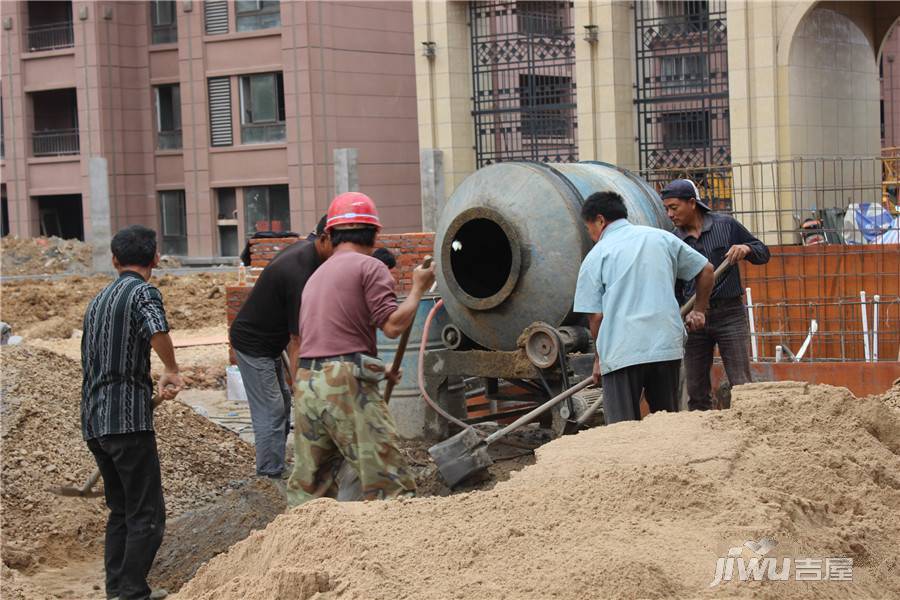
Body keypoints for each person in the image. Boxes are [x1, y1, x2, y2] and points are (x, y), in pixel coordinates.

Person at [286, 192, 435, 507]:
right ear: (375, 234)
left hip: (307, 384)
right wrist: (419, 288)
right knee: (389, 485)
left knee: (310, 491)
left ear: (332, 234)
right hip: (345, 384)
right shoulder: (370, 267)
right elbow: (392, 326)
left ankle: (301, 550)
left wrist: (379, 371)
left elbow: (332, 338)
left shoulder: (316, 276)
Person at [81, 225, 183, 600]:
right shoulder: (143, 293)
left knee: (121, 511)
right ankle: (132, 593)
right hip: (127, 422)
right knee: (147, 515)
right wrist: (171, 369)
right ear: (155, 258)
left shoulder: (98, 300)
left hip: (95, 423)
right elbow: (157, 331)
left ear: (114, 259)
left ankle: (119, 590)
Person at [574, 191, 714, 424]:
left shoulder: (596, 256)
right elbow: (706, 270)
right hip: (665, 346)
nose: (591, 235)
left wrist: (599, 359)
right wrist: (699, 309)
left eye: (589, 227)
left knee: (623, 428)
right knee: (666, 423)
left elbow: (596, 317)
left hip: (621, 351)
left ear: (600, 220)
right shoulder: (661, 239)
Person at [229, 214, 333, 482]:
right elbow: (297, 339)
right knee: (272, 408)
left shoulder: (310, 253)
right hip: (253, 345)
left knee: (281, 402)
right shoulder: (301, 270)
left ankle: (276, 463)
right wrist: (302, 386)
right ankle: (268, 474)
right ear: (324, 238)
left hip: (269, 343)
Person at [661, 179, 770, 411]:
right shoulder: (673, 241)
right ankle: (703, 439)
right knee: (696, 390)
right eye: (666, 209)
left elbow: (763, 252)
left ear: (692, 203)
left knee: (741, 384)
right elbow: (674, 287)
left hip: (730, 314)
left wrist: (747, 248)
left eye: (673, 207)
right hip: (694, 320)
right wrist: (683, 315)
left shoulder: (726, 226)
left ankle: (746, 430)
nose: (669, 214)